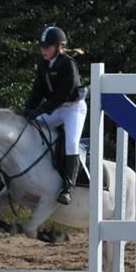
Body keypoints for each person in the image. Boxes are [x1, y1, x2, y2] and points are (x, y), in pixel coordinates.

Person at [24, 25, 88, 205]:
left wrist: (41, 109)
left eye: (47, 46)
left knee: (72, 142)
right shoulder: (44, 65)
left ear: (58, 47)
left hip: (73, 109)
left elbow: (63, 94)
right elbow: (37, 91)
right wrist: (28, 110)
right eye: (42, 46)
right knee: (31, 125)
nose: (43, 50)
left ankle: (68, 187)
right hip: (55, 109)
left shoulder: (68, 63)